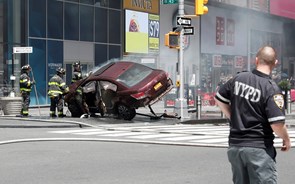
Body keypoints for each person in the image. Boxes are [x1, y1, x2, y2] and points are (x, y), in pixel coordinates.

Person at [215, 46, 291, 184]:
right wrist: (286, 138)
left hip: (235, 147)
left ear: (256, 60)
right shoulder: (271, 88)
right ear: (275, 63)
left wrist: (232, 116)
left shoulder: (238, 78)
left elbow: (219, 98)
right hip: (259, 147)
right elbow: (277, 124)